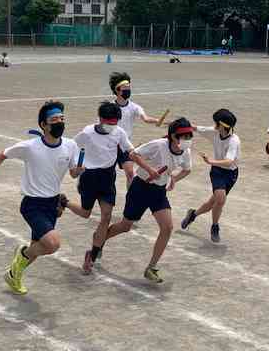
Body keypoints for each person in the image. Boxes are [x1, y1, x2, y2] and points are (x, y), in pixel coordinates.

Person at [0, 101, 83, 294]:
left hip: (52, 204)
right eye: (54, 119)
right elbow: (1, 155)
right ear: (44, 125)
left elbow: (73, 173)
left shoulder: (71, 145)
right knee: (52, 244)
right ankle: (21, 254)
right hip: (32, 205)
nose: (60, 122)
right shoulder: (30, 147)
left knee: (37, 248)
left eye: (62, 118)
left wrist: (77, 171)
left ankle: (13, 275)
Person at [102, 118, 193, 283]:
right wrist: (150, 170)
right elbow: (133, 154)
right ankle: (99, 242)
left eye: (189, 136)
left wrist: (174, 179)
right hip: (140, 188)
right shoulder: (158, 145)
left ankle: (151, 267)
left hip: (159, 192)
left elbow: (187, 169)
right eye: (184, 136)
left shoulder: (186, 151)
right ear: (173, 136)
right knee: (125, 226)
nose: (188, 139)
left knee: (167, 227)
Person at [66, 102, 135, 273]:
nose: (112, 126)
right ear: (100, 119)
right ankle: (63, 201)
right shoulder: (87, 133)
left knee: (106, 216)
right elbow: (71, 148)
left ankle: (92, 256)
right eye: (109, 122)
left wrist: (143, 157)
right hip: (89, 177)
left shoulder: (119, 132)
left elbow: (130, 149)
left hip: (107, 178)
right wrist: (75, 167)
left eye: (115, 122)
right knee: (86, 213)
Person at [181, 109, 240, 242]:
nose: (214, 125)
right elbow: (194, 128)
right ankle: (215, 226)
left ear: (222, 125)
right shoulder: (214, 132)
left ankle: (193, 215)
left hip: (231, 173)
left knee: (213, 202)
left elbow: (229, 161)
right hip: (217, 171)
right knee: (220, 199)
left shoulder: (234, 140)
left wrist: (210, 161)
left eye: (216, 123)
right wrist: (176, 125)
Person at [109, 72, 163, 187]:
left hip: (125, 145)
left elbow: (146, 118)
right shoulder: (109, 107)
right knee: (108, 174)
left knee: (130, 173)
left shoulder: (134, 107)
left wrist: (157, 121)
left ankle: (130, 196)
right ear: (117, 90)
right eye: (125, 88)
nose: (128, 90)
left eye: (129, 88)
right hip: (109, 145)